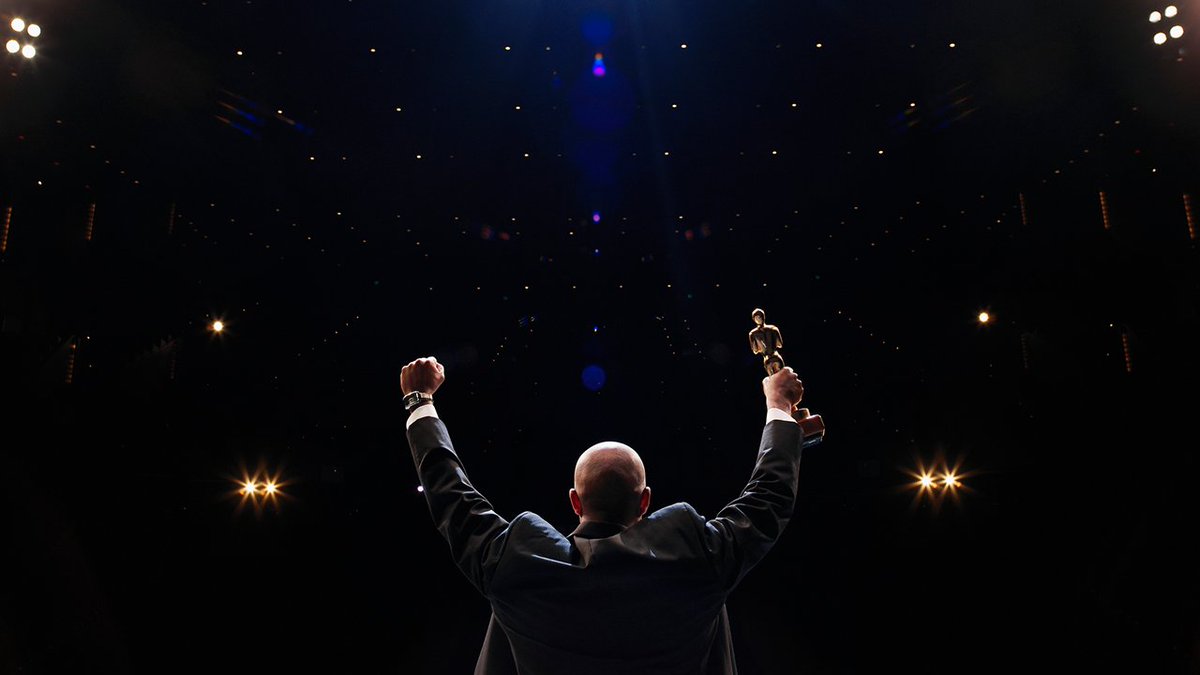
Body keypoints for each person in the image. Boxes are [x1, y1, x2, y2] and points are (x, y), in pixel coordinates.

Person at [401, 355, 808, 674]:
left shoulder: (516, 564)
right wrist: (780, 408)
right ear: (645, 502)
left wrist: (419, 401)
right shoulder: (695, 556)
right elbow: (768, 499)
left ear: (575, 502)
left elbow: (449, 493)